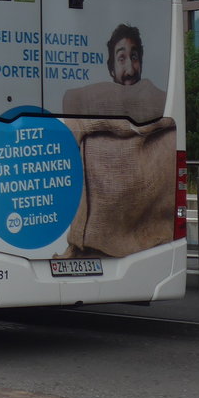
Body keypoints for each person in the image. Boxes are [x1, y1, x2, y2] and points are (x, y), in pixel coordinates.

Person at [58, 24, 175, 259]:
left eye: (135, 57)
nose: (130, 69)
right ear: (111, 69)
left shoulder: (156, 100)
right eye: (121, 59)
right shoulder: (95, 103)